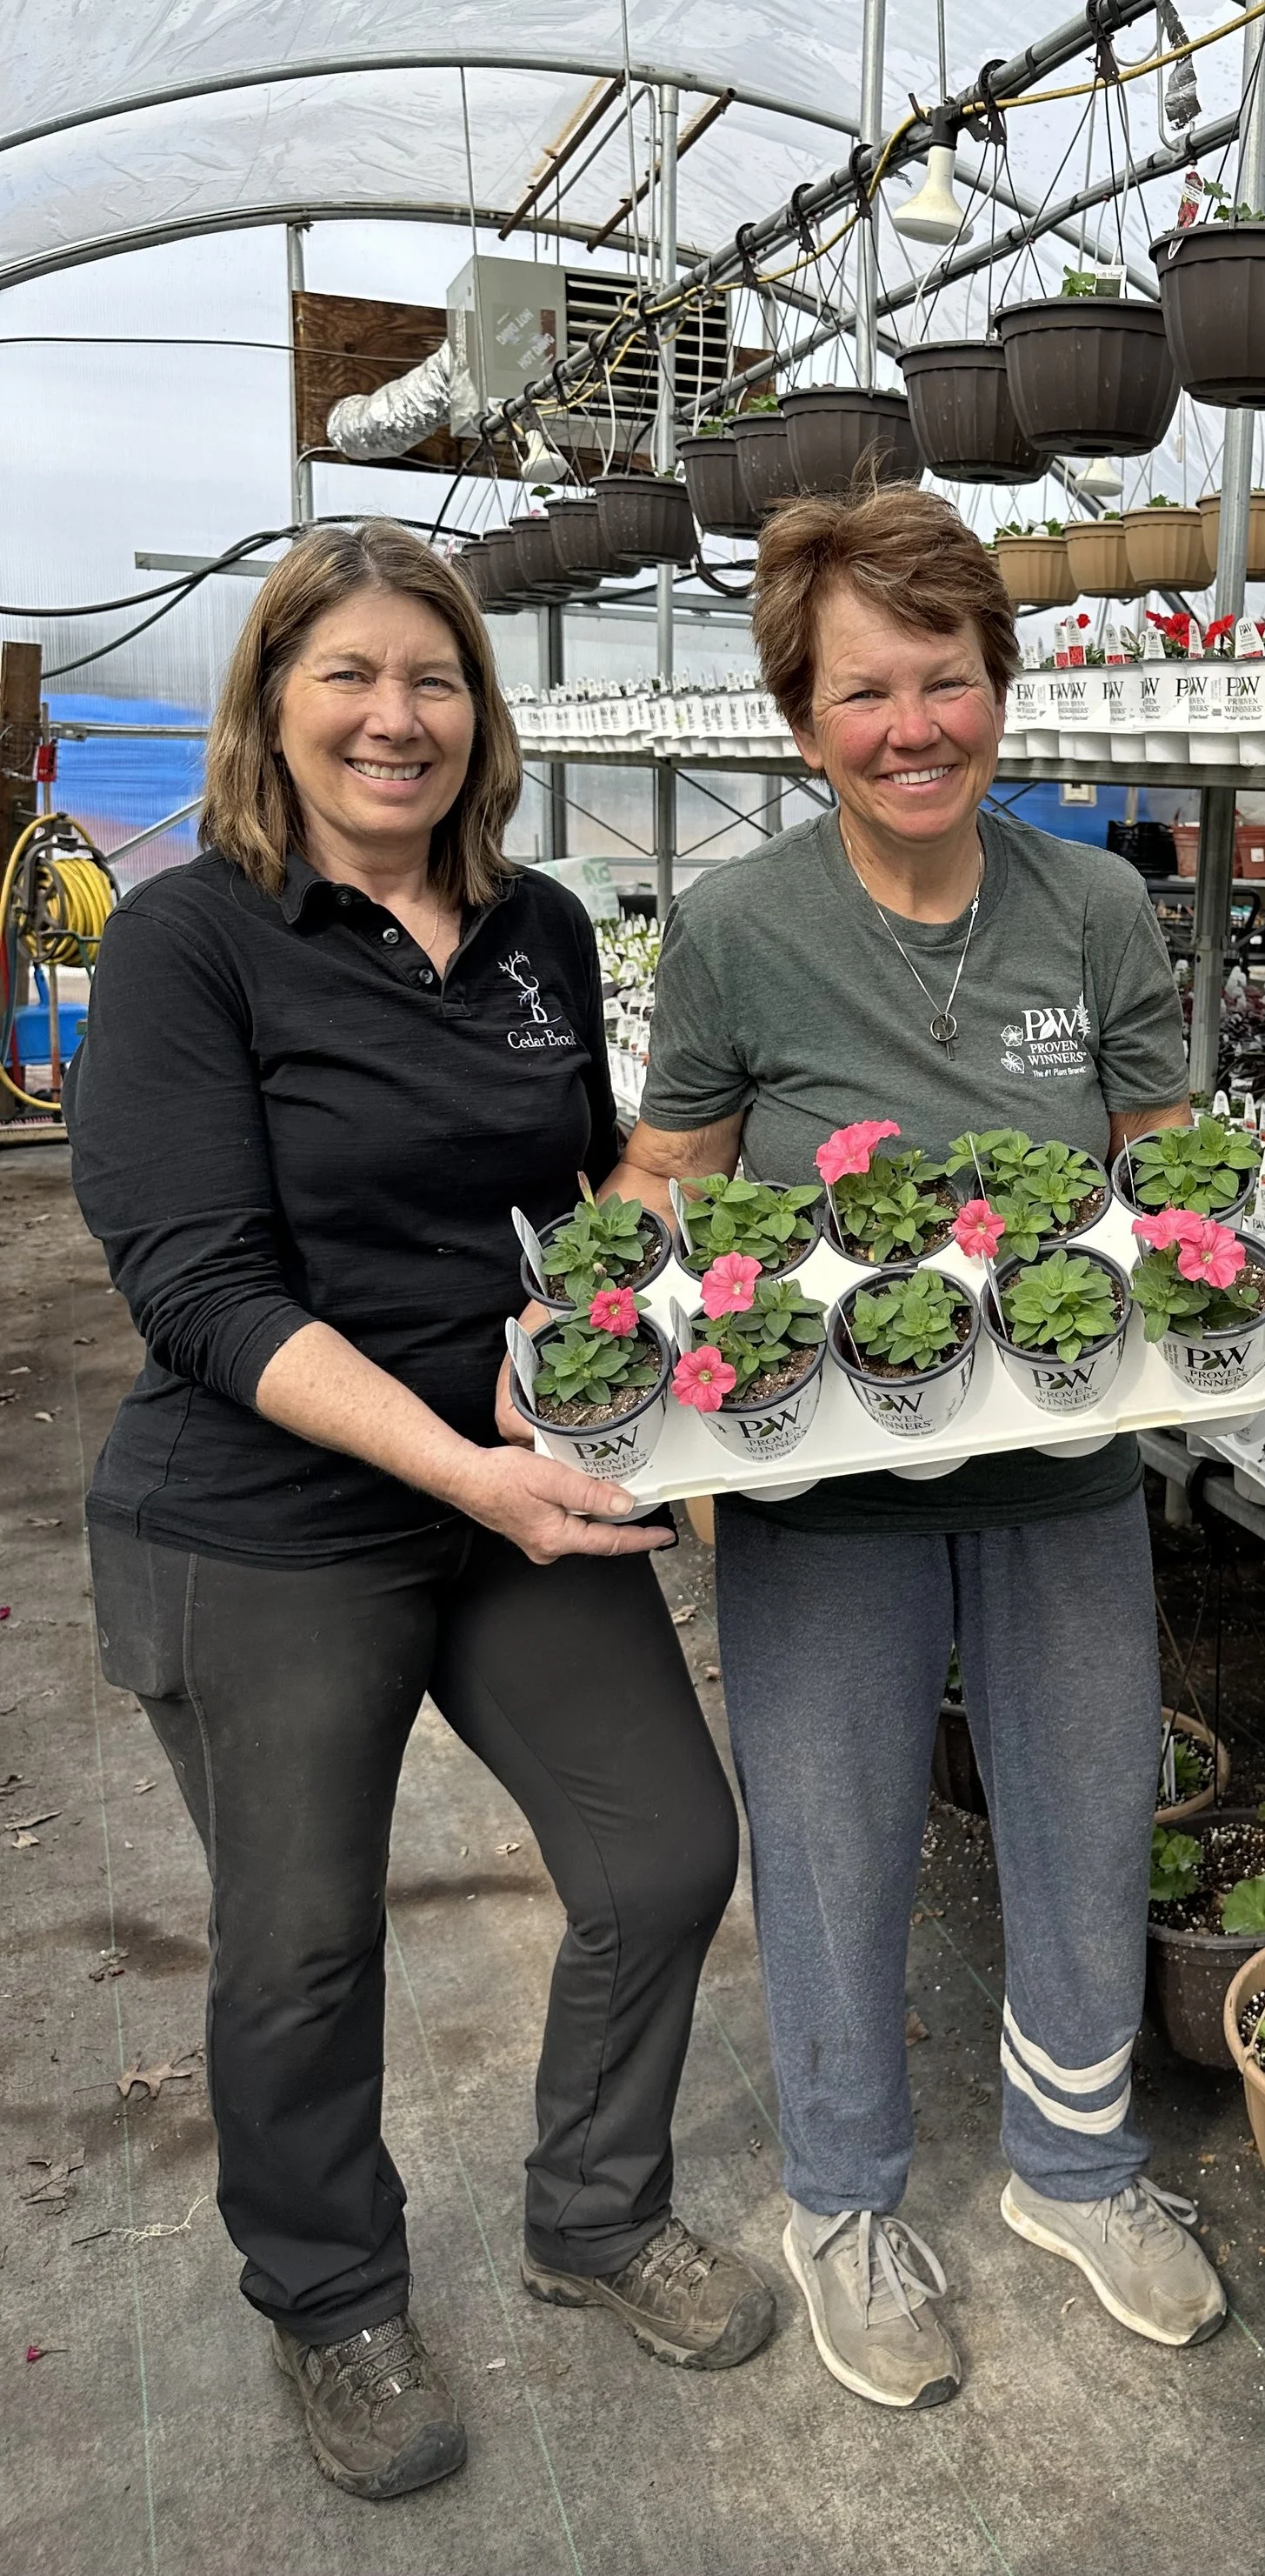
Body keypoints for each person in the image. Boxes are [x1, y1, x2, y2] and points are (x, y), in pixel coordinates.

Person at [68, 521, 772, 2505]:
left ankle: (596, 2212)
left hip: (502, 1484)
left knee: (655, 1854)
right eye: (350, 677)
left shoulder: (540, 928)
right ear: (273, 706)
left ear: (482, 710)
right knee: (298, 1944)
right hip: (262, 1517)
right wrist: (462, 1457)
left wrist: (622, 1343)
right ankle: (331, 2294)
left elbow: (568, 1209)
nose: (397, 716)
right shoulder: (188, 939)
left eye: (435, 677)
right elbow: (202, 1289)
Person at [577, 485, 1226, 2411]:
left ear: (998, 691)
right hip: (821, 1482)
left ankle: (1074, 2168)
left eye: (944, 678)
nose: (911, 725)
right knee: (838, 1834)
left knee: (1083, 1804)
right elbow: (669, 1177)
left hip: (1060, 1470)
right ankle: (844, 2198)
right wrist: (619, 1361)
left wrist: (1217, 1284)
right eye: (864, 692)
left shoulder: (1095, 907)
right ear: (802, 723)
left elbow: (1163, 1175)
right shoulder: (739, 930)